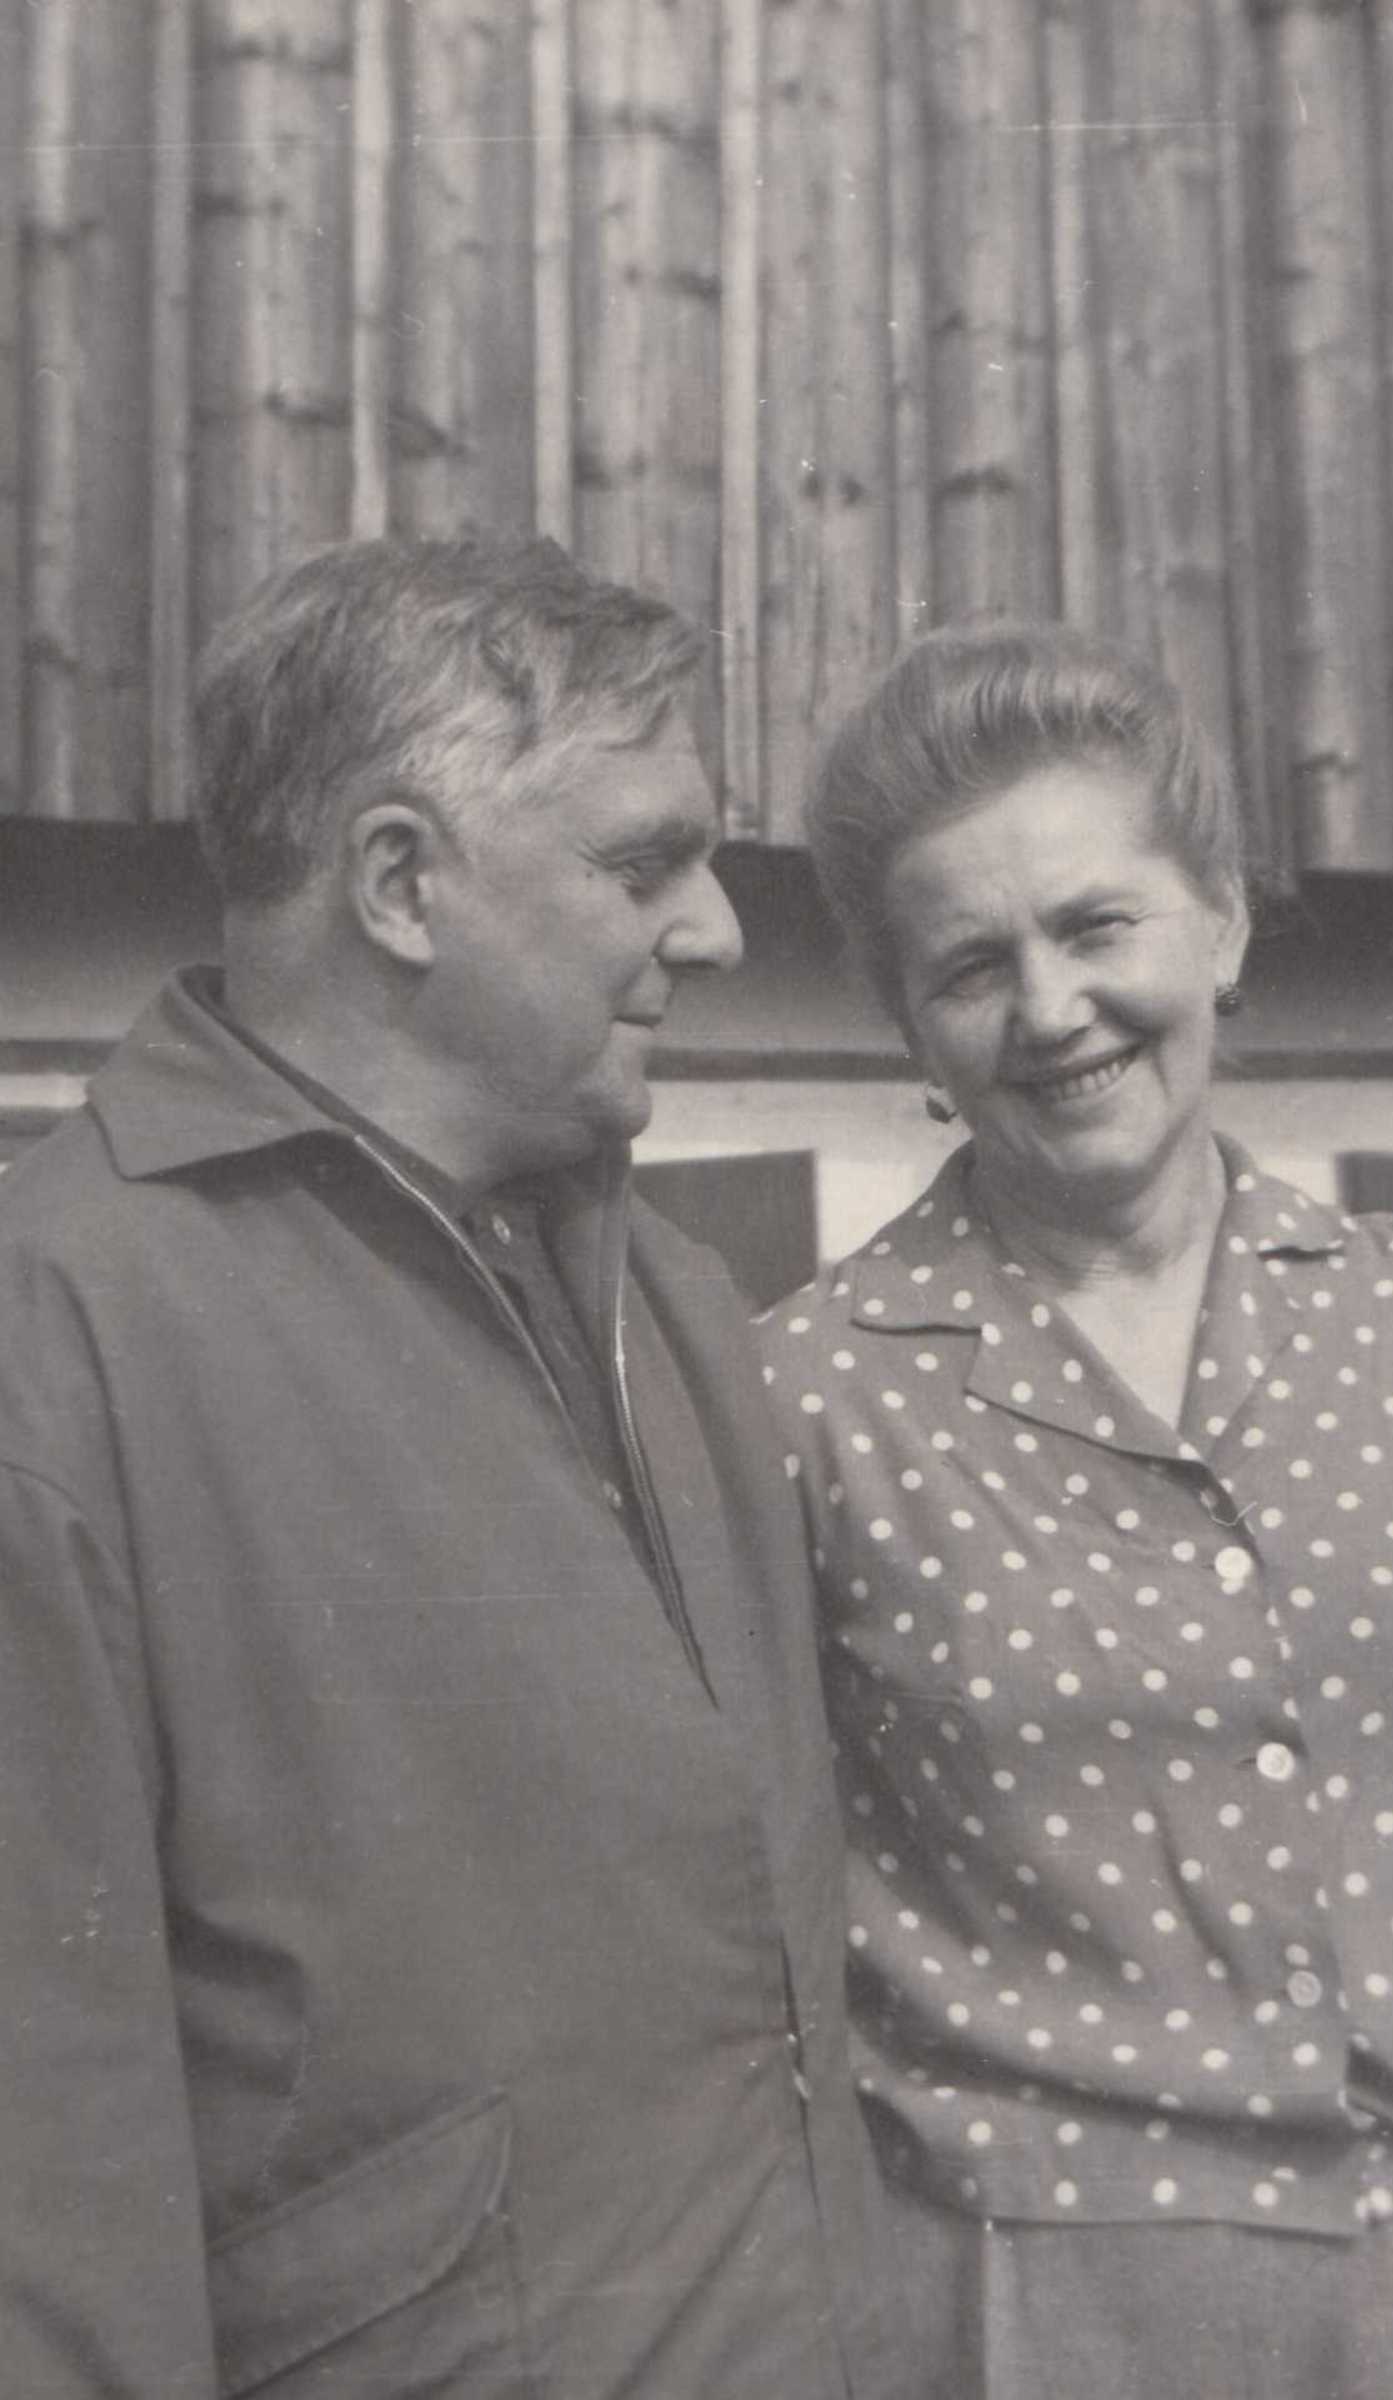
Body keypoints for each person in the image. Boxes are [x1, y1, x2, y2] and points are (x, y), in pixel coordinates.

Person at [0, 537, 906, 2400]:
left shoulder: (676, 1297)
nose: (719, 930)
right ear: (400, 882)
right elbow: (43, 2190)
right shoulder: (58, 1338)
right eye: (644, 864)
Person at [759, 621, 1393, 2400]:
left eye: (1097, 926)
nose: (1052, 1009)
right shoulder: (806, 1405)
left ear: (1224, 926)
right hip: (1049, 2287)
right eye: (973, 966)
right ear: (911, 1027)